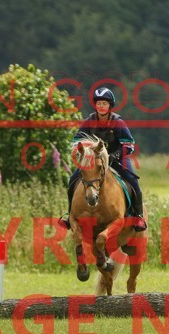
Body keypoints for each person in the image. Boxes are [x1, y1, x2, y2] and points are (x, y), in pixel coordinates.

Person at [58, 87, 147, 231]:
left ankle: (138, 216)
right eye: (99, 103)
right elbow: (76, 141)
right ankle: (70, 215)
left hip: (117, 158)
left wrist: (115, 156)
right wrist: (82, 149)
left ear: (110, 105)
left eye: (104, 103)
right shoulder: (89, 121)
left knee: (132, 181)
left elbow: (129, 144)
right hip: (94, 160)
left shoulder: (118, 122)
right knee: (73, 179)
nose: (101, 106)